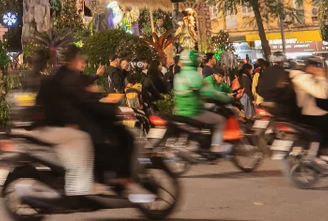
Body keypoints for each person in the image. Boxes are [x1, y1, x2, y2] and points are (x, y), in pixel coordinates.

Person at [36, 44, 152, 202]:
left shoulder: (63, 77)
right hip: (79, 126)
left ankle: (116, 181)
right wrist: (111, 110)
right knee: (118, 139)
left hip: (75, 123)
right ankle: (122, 180)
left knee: (114, 137)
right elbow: (84, 103)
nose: (81, 62)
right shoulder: (67, 78)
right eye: (79, 59)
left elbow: (83, 99)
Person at [290, 56, 328, 167]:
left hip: (306, 112)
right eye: (315, 66)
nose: (318, 68)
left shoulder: (297, 76)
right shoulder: (302, 78)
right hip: (307, 114)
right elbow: (323, 93)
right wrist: (322, 77)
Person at [173, 50, 232, 154]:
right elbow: (209, 92)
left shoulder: (179, 76)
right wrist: (226, 98)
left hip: (179, 111)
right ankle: (216, 146)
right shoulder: (194, 76)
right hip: (193, 111)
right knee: (220, 120)